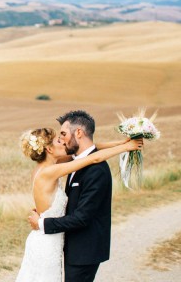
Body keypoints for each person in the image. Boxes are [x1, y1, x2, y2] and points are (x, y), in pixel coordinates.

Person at [16, 110, 142, 282]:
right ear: (49, 149)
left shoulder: (48, 166)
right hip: (46, 243)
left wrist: (120, 142)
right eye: (58, 140)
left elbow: (92, 149)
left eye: (62, 136)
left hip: (51, 240)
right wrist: (126, 147)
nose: (62, 141)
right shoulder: (51, 170)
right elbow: (93, 158)